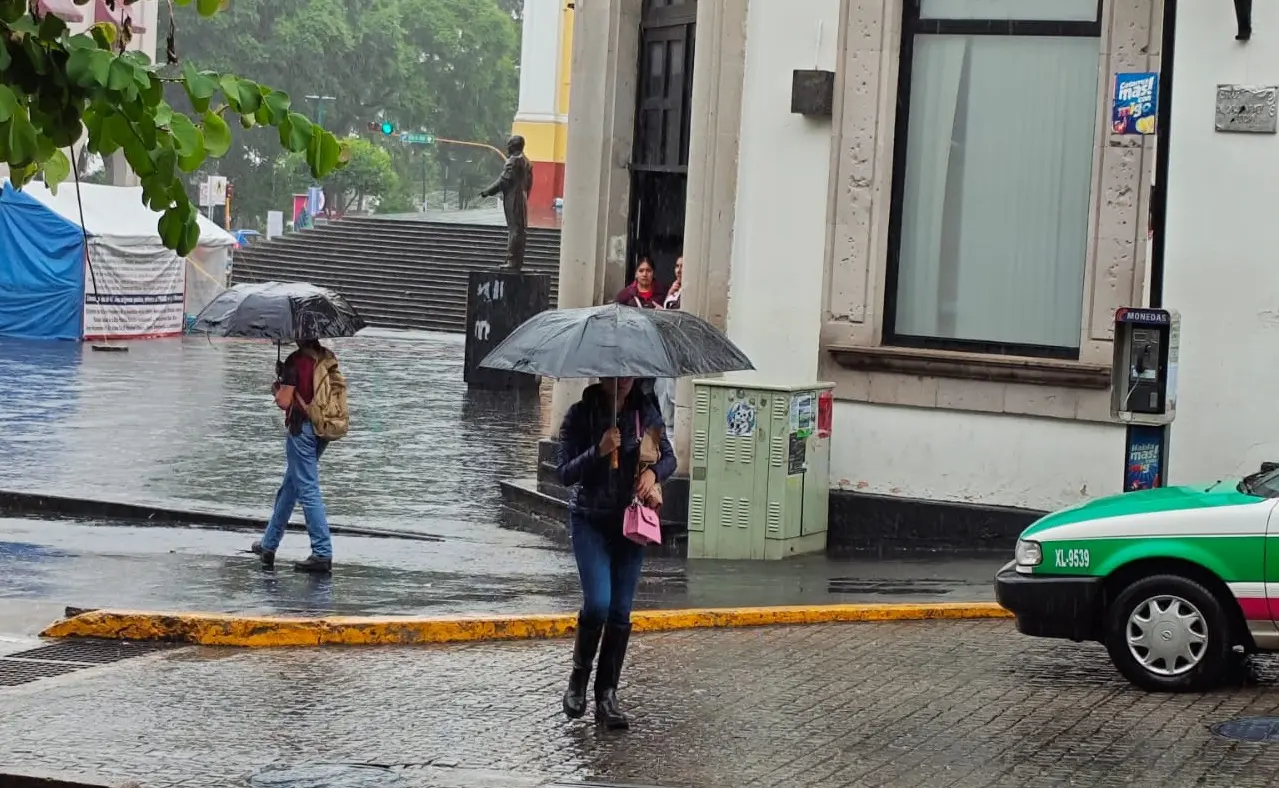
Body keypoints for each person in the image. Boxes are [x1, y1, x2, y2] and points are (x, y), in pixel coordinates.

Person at [557, 377, 675, 729]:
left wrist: (653, 473)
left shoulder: (645, 413)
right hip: (590, 521)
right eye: (617, 373)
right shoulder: (580, 414)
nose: (625, 381)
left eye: (630, 374)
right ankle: (579, 678)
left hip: (630, 524)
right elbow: (563, 473)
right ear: (603, 374)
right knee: (598, 603)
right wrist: (599, 450)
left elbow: (669, 458)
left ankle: (607, 695)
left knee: (621, 610)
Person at [251, 339, 337, 574]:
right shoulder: (326, 356)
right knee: (290, 487)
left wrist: (278, 387)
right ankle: (268, 545)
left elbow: (284, 401)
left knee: (307, 489)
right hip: (323, 429)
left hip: (302, 431)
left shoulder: (295, 361)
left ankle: (322, 552)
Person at [480, 135, 535, 271]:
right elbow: (529, 184)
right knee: (520, 230)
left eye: (509, 145)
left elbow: (503, 181)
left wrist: (487, 192)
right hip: (521, 198)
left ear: (513, 146)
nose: (507, 148)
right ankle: (517, 261)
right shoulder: (527, 161)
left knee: (514, 230)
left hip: (513, 199)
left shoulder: (513, 161)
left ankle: (511, 261)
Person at [655, 255, 683, 425]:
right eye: (677, 265)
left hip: (677, 349)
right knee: (661, 390)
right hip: (666, 347)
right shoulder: (674, 290)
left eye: (683, 266)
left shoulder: (689, 290)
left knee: (673, 394)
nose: (679, 270)